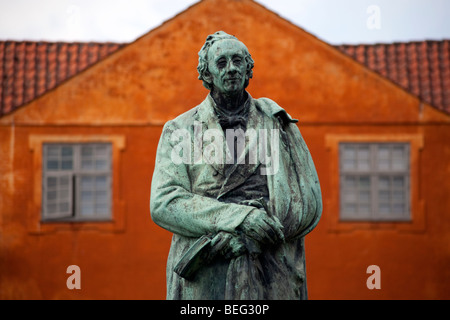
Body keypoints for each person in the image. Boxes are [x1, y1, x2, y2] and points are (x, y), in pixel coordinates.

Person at [150, 31, 322, 299]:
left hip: (270, 270)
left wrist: (257, 234)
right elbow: (164, 202)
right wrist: (239, 219)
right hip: (207, 274)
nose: (231, 69)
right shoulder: (179, 130)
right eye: (221, 63)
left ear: (248, 68)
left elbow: (308, 200)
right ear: (207, 74)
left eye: (238, 61)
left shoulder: (278, 124)